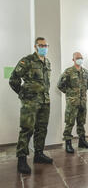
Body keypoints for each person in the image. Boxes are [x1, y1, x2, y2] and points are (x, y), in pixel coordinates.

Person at [9, 37, 53, 174]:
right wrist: (22, 93)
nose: (44, 47)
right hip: (30, 102)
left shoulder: (48, 62)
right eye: (41, 45)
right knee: (27, 129)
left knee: (42, 129)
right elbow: (13, 79)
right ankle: (21, 159)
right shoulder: (27, 60)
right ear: (35, 47)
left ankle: (38, 154)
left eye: (46, 45)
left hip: (45, 101)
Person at [57, 52, 88, 153]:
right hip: (72, 103)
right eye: (77, 58)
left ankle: (82, 141)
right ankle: (68, 143)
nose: (80, 59)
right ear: (73, 59)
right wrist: (69, 93)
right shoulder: (68, 72)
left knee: (81, 122)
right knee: (70, 123)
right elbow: (60, 85)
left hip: (82, 102)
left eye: (81, 57)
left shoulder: (85, 72)